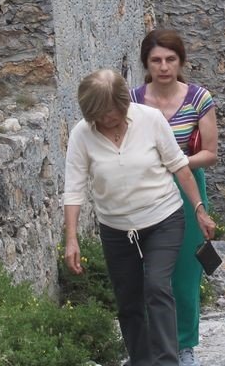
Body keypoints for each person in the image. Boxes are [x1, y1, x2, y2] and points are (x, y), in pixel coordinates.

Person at [63, 69, 216, 366]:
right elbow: (74, 188)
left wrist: (199, 209)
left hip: (163, 219)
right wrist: (71, 239)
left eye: (116, 111)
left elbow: (180, 166)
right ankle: (142, 360)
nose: (111, 119)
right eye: (103, 114)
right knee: (129, 301)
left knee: (158, 286)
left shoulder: (150, 119)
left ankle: (168, 361)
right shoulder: (81, 134)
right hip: (116, 228)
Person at [132, 30, 218, 366]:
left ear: (180, 61)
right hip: (144, 191)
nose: (164, 66)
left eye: (170, 59)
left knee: (185, 272)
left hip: (187, 189)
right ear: (146, 63)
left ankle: (184, 345)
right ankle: (153, 343)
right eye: (156, 60)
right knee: (149, 273)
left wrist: (174, 162)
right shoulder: (133, 100)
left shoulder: (198, 98)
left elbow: (210, 153)